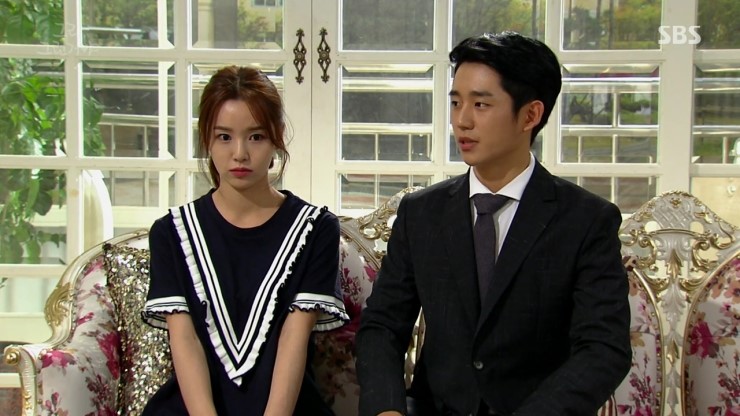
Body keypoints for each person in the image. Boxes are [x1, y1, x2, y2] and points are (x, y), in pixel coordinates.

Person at [356, 32, 631, 416]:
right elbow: (383, 326)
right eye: (456, 102)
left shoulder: (586, 220)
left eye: (481, 104)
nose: (462, 121)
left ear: (530, 115)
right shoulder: (422, 213)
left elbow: (603, 348)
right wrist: (387, 409)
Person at [141, 65, 349, 416]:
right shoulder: (171, 232)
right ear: (207, 140)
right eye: (224, 137)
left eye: (256, 137)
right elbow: (185, 339)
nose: (239, 153)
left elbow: (293, 337)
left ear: (277, 138)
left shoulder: (316, 229)